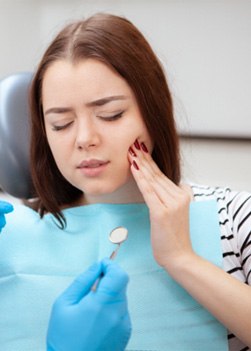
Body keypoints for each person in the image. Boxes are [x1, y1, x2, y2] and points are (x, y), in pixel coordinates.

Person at [0, 12, 250, 351]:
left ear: (152, 112)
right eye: (60, 124)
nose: (85, 138)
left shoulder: (234, 218)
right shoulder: (10, 236)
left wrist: (182, 259)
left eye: (111, 115)